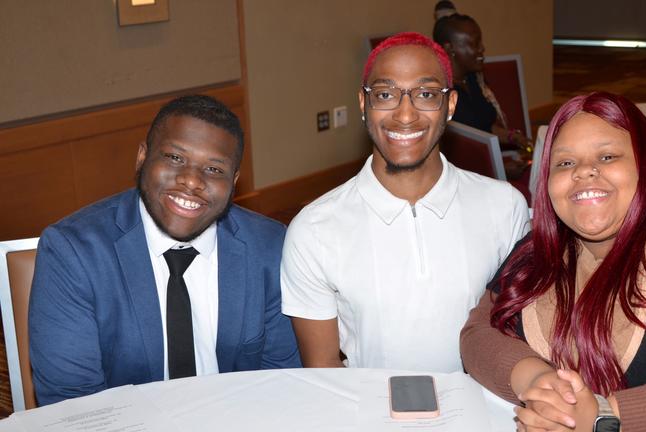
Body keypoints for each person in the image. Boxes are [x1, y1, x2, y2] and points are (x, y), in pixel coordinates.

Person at [460, 92, 646, 431]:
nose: (584, 172)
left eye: (607, 156)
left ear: (645, 164)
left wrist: (604, 417)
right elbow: (478, 332)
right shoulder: (541, 248)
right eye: (564, 163)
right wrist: (536, 379)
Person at [280, 32, 530, 373]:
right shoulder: (315, 228)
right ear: (363, 104)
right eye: (385, 94)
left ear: (450, 105)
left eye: (426, 94)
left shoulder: (505, 208)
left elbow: (519, 335)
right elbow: (324, 366)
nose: (405, 114)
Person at [29, 95, 301, 406]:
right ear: (143, 157)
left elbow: (282, 380)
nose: (191, 181)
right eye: (174, 158)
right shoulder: (74, 253)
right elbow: (74, 406)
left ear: (234, 181)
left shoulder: (268, 246)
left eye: (214, 169)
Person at [433, 13, 529, 154]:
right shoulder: (439, 94)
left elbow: (484, 128)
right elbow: (451, 154)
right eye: (474, 43)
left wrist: (512, 137)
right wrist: (496, 169)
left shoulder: (473, 79)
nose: (482, 48)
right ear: (450, 49)